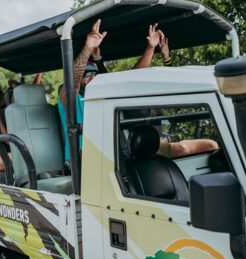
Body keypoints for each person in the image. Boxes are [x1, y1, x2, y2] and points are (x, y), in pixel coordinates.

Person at [58, 20, 216, 161]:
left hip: (117, 151)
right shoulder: (70, 96)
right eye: (87, 73)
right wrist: (87, 48)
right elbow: (73, 81)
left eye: (94, 73)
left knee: (210, 145)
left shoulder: (104, 96)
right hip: (83, 156)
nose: (92, 76)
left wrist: (151, 48)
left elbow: (133, 78)